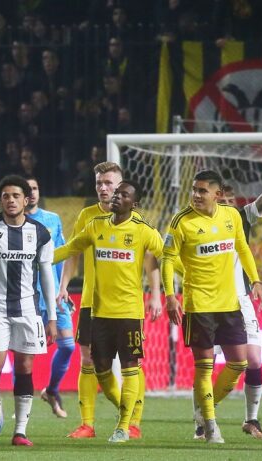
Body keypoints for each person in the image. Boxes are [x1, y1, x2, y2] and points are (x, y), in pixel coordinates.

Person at [191, 146, 262, 440]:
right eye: (223, 199)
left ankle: (250, 419)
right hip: (207, 300)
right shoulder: (194, 223)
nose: (227, 205)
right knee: (206, 365)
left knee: (252, 359)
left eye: (231, 201)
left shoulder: (240, 218)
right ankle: (202, 420)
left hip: (239, 301)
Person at [55, 181, 164, 443]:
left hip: (129, 313)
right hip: (99, 313)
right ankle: (124, 413)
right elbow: (71, 249)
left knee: (130, 366)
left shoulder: (144, 230)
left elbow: (167, 256)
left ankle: (124, 426)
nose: (116, 196)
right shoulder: (95, 225)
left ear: (134, 204)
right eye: (117, 193)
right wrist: (36, 258)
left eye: (124, 194)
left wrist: (173, 285)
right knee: (101, 369)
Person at [162, 170, 262, 444]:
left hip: (229, 303)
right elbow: (167, 258)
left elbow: (243, 248)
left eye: (202, 191)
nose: (196, 195)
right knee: (205, 367)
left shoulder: (232, 216)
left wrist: (255, 280)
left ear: (217, 194)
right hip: (199, 305)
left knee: (239, 362)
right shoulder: (181, 221)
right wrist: (170, 296)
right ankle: (210, 425)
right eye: (194, 190)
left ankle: (203, 411)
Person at [0, 175, 58, 447]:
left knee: (24, 367)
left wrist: (52, 316)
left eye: (16, 196)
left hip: (28, 310)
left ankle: (20, 432)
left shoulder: (40, 233)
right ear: (1, 200)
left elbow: (47, 276)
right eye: (6, 196)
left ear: (26, 200)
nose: (10, 200)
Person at [24, 175, 74, 418]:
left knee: (68, 346)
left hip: (53, 294)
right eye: (27, 189)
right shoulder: (11, 221)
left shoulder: (52, 220)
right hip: (26, 296)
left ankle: (52, 390)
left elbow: (61, 256)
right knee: (24, 353)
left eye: (35, 188)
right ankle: (22, 405)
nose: (32, 192)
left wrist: (63, 288)